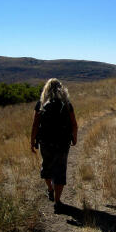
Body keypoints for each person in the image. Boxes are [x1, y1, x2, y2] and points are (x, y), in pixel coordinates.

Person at [30, 78, 78, 212]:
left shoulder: (41, 103)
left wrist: (32, 141)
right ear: (61, 89)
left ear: (46, 89)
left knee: (47, 166)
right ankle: (57, 202)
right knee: (60, 170)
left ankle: (50, 189)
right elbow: (74, 124)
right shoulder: (67, 104)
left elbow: (35, 124)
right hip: (62, 142)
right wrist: (74, 138)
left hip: (45, 142)